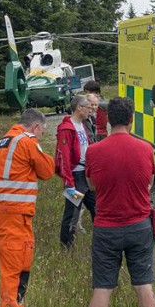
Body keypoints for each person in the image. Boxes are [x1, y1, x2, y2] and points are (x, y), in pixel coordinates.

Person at [83, 97, 155, 307]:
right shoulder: (145, 148)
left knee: (102, 289)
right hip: (139, 226)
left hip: (106, 227)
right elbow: (149, 183)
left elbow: (92, 186)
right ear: (131, 120)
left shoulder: (93, 151)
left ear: (107, 120)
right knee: (144, 287)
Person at [0, 108, 56, 307]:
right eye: (42, 133)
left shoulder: (4, 140)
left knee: (14, 265)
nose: (41, 136)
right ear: (35, 127)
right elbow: (46, 171)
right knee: (14, 270)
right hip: (15, 214)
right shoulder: (26, 141)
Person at [55, 94, 98, 247]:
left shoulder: (83, 125)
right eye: (88, 107)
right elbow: (64, 158)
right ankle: (66, 244)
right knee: (72, 211)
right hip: (75, 176)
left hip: (87, 175)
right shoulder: (67, 129)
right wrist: (69, 182)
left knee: (97, 208)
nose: (91, 111)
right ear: (79, 108)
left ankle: (102, 240)